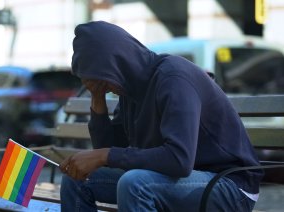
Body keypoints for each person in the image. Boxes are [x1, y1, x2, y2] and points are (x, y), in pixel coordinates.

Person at [59, 21, 263, 212]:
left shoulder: (173, 78)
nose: (105, 86)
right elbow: (111, 150)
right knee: (77, 179)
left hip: (229, 185)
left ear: (117, 63)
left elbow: (179, 159)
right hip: (174, 180)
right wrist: (97, 98)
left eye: (103, 79)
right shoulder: (129, 90)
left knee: (135, 184)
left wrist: (104, 155)